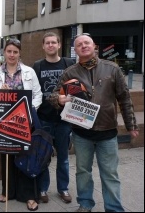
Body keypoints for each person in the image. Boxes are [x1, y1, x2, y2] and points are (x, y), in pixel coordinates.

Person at [49, 33, 139, 212]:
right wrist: (59, 100)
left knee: (110, 174)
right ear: (75, 50)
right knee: (83, 172)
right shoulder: (70, 73)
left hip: (107, 132)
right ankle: (85, 204)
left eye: (86, 43)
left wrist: (131, 125)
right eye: (79, 44)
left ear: (94, 46)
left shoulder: (112, 69)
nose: (83, 46)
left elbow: (125, 98)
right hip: (82, 133)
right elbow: (53, 96)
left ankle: (113, 208)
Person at [0, 38, 43, 211]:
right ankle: (8, 191)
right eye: (9, 51)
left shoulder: (29, 72)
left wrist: (28, 109)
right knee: (6, 155)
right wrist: (0, 93)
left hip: (25, 120)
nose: (12, 55)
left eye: (15, 52)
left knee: (26, 156)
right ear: (4, 52)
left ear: (20, 53)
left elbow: (38, 94)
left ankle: (28, 195)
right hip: (5, 121)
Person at [32, 32, 74, 204]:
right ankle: (43, 189)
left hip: (65, 119)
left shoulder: (69, 63)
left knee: (63, 157)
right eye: (47, 43)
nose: (50, 45)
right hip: (44, 118)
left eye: (53, 42)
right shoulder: (37, 66)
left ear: (59, 45)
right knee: (44, 156)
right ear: (43, 46)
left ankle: (63, 189)